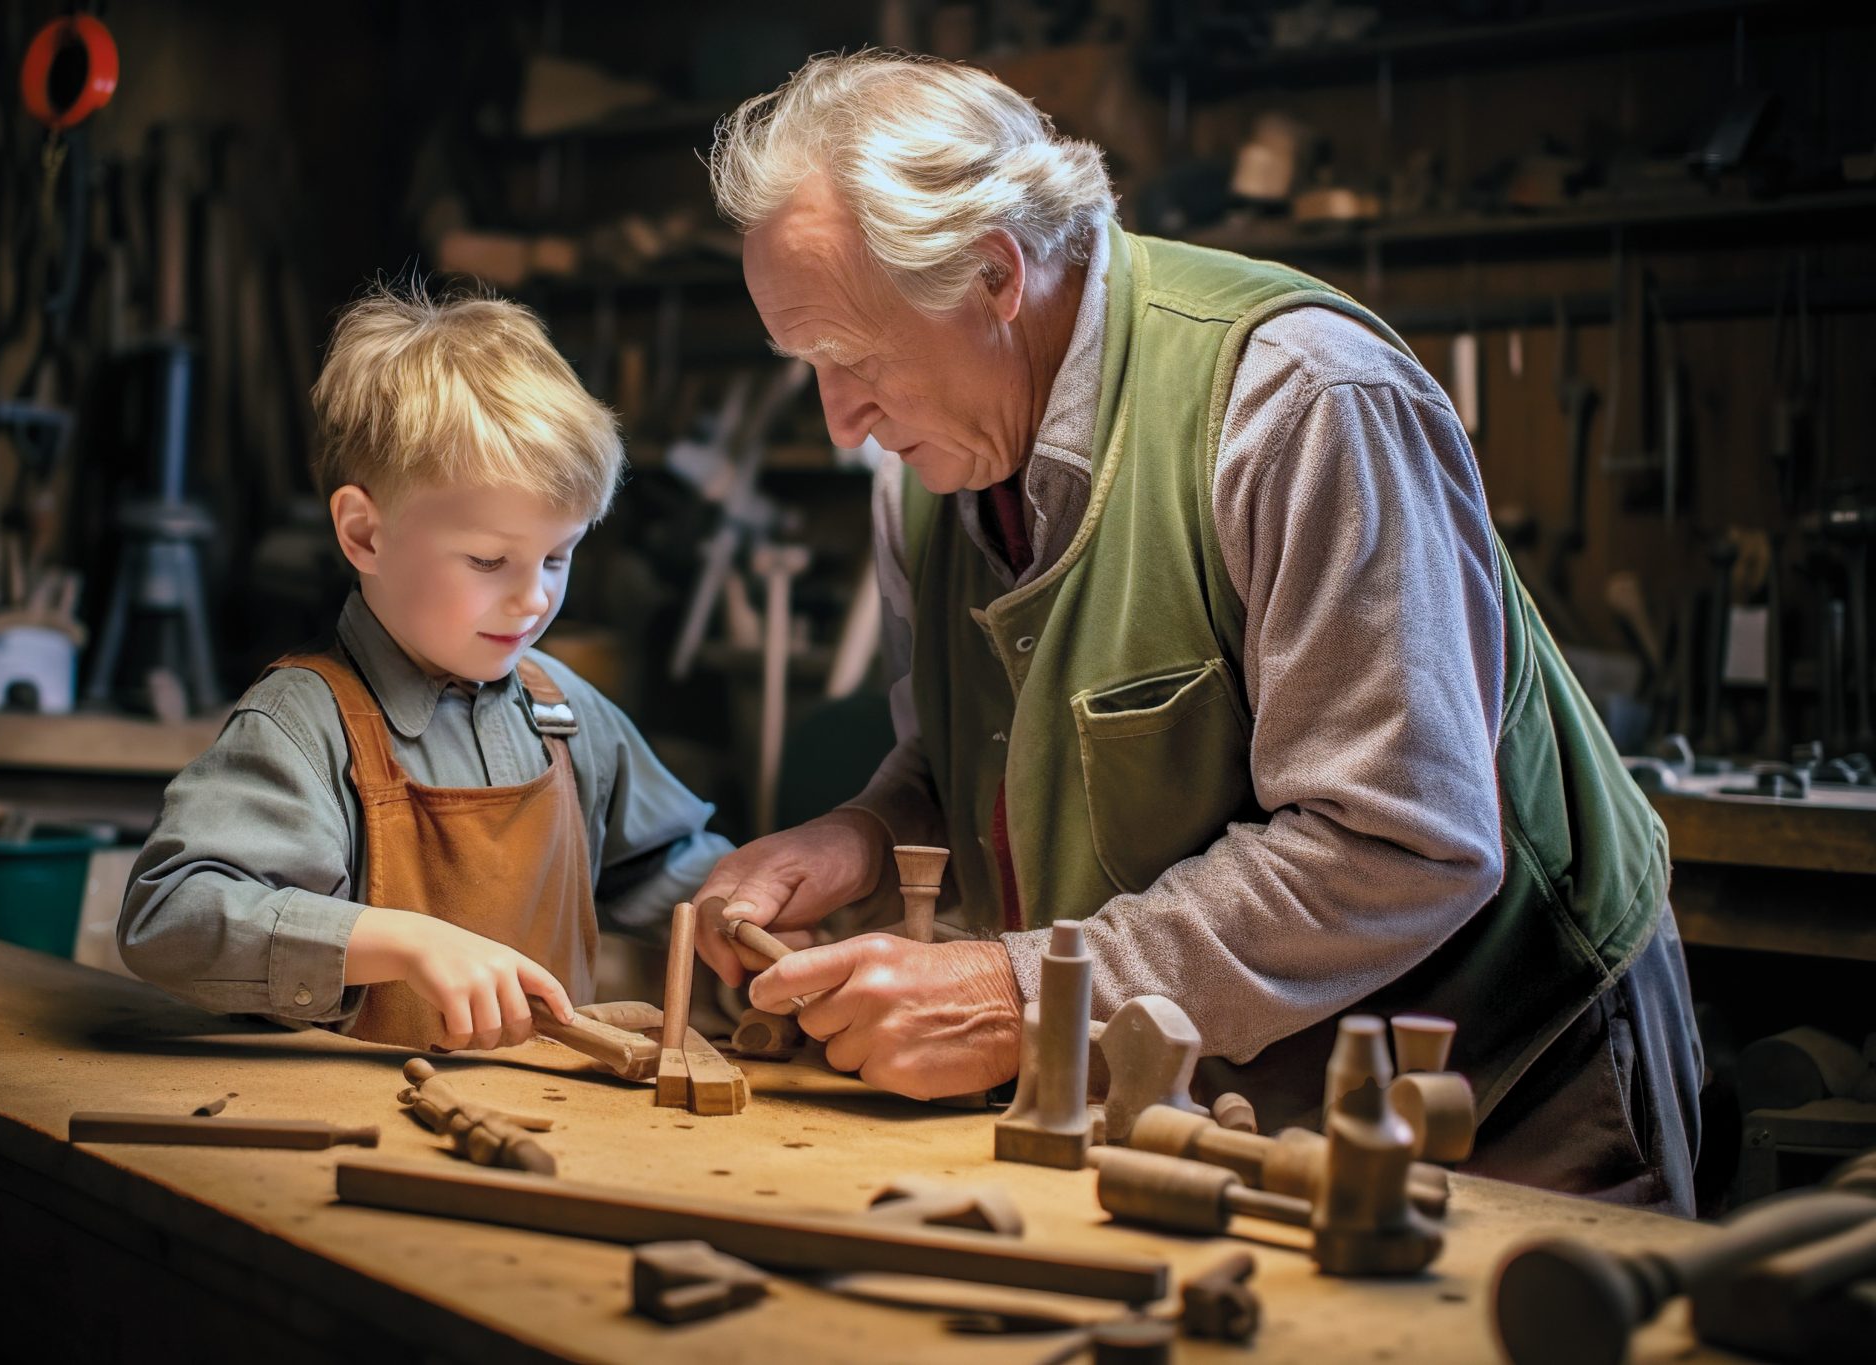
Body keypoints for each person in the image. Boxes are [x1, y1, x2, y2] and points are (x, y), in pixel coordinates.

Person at [690, 51, 1702, 1212]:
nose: (840, 420)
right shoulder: (917, 473)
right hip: (1208, 1104)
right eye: (808, 366)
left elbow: (1395, 843)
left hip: (1497, 1076)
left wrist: (1020, 995)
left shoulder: (1298, 404)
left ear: (990, 276)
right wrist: (864, 835)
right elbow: (969, 752)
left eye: (852, 359)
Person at [122, 285, 731, 1053]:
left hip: (557, 1127)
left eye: (557, 555)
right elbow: (169, 915)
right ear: (365, 534)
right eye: (488, 559)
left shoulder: (561, 711)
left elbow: (663, 862)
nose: (533, 597)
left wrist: (738, 907)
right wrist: (401, 941)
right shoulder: (303, 726)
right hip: (357, 1142)